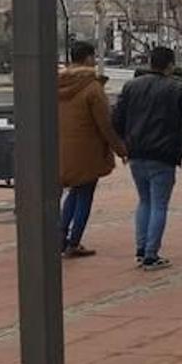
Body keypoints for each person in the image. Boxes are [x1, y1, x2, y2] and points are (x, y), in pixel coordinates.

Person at [112, 46, 182, 270]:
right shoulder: (178, 88)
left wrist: (125, 142)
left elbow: (117, 119)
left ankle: (141, 249)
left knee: (144, 201)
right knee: (159, 204)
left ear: (150, 62)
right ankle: (151, 253)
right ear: (170, 65)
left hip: (137, 152)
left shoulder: (131, 86)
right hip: (163, 153)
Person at [57, 42, 127, 257]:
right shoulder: (92, 88)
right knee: (84, 194)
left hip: (62, 149)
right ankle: (74, 241)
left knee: (73, 193)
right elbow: (105, 124)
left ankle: (60, 237)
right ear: (88, 58)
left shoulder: (56, 83)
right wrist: (120, 149)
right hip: (88, 150)